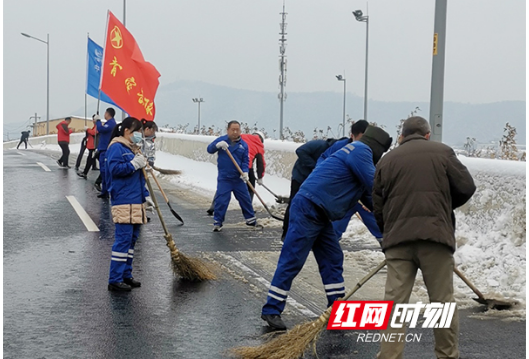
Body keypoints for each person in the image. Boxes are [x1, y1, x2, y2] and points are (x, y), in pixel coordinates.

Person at [261, 126, 392, 330]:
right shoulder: (360, 151)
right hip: (309, 208)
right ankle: (271, 309)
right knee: (292, 259)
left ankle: (336, 307)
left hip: (320, 213)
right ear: (377, 147)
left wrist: (390, 222)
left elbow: (372, 199)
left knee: (332, 257)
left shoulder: (354, 152)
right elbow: (375, 186)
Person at [373, 117, 476, 359]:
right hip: (435, 238)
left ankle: (389, 355)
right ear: (427, 134)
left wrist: (388, 231)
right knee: (441, 302)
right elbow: (466, 186)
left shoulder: (387, 161)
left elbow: (377, 203)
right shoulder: (443, 152)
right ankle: (446, 354)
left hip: (398, 241)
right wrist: (444, 205)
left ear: (403, 136)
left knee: (395, 304)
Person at [317, 120, 383, 244]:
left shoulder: (371, 151)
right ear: (352, 136)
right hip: (343, 196)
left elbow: (373, 179)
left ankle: (390, 251)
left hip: (363, 196)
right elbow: (322, 161)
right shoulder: (340, 147)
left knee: (379, 225)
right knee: (335, 228)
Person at [106, 117, 149, 292]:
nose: (139, 134)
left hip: (136, 200)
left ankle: (126, 274)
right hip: (124, 200)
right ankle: (114, 279)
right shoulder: (116, 147)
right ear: (126, 131)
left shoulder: (132, 149)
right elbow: (114, 170)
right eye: (136, 131)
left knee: (132, 240)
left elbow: (139, 177)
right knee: (123, 240)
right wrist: (132, 164)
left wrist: (146, 196)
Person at [281, 137, 343, 240]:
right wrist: (314, 166)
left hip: (315, 181)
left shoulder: (337, 155)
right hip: (301, 176)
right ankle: (286, 232)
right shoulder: (320, 144)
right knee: (294, 203)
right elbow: (300, 151)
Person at [207, 121, 257, 232]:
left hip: (238, 178)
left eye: (237, 130)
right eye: (233, 129)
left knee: (245, 199)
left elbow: (245, 161)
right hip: (225, 178)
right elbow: (209, 149)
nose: (235, 132)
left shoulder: (243, 145)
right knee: (222, 200)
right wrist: (217, 145)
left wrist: (245, 172)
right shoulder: (222, 141)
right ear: (228, 130)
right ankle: (218, 222)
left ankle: (251, 220)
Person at [207, 131, 266, 215]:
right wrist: (260, 177)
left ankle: (214, 206)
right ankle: (249, 209)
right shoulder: (259, 145)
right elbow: (260, 163)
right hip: (246, 168)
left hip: (230, 165)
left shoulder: (241, 136)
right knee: (250, 186)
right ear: (261, 139)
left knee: (224, 186)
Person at [95, 108, 117, 199]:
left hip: (106, 150)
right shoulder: (109, 123)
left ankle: (107, 191)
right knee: (103, 172)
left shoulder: (111, 123)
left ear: (108, 113)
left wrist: (98, 121)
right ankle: (104, 191)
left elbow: (100, 129)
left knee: (105, 172)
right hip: (102, 149)